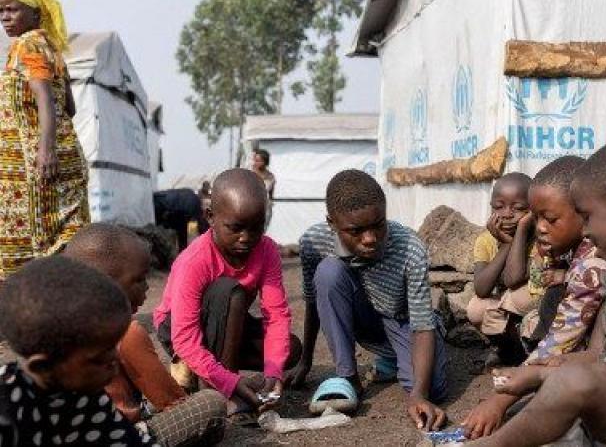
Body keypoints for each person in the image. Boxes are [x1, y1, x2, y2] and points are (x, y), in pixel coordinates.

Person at [465, 141, 606, 446]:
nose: (585, 231)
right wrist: (555, 365)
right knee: (555, 394)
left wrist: (538, 376)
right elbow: (603, 353)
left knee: (569, 385)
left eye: (587, 217)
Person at [461, 156, 606, 440]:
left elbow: (558, 343)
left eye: (550, 219)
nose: (540, 227)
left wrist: (500, 398)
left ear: (584, 213)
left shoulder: (593, 263)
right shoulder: (575, 251)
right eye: (537, 218)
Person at [288, 169, 448, 431]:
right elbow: (314, 304)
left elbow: (421, 324)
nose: (370, 238)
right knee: (328, 272)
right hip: (363, 317)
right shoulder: (313, 243)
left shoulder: (410, 248)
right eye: (356, 230)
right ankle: (348, 377)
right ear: (332, 223)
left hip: (402, 321)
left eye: (378, 224)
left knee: (434, 389)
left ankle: (394, 359)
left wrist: (418, 394)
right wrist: (305, 361)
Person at [63, 223, 227, 447]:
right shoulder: (125, 332)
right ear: (106, 285)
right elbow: (172, 402)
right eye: (139, 279)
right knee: (212, 404)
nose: (147, 287)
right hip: (119, 439)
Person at [153, 169, 301, 415]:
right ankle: (222, 390)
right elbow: (184, 338)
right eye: (236, 228)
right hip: (179, 330)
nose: (246, 238)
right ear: (210, 216)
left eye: (256, 228)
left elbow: (276, 315)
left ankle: (214, 373)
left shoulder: (267, 250)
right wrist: (230, 381)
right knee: (232, 291)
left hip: (227, 324)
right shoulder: (195, 260)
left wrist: (273, 373)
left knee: (290, 350)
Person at [0, 256, 161, 445]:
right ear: (43, 366)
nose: (115, 364)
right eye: (98, 359)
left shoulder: (83, 391)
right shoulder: (7, 413)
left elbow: (124, 439)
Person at [0, 0, 90, 281]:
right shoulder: (52, 48)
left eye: (12, 9)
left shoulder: (28, 44)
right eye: (0, 11)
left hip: (39, 163)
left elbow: (45, 98)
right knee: (62, 235)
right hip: (62, 158)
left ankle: (38, 307)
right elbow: (70, 107)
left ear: (36, 13)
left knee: (33, 237)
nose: (4, 16)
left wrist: (45, 149)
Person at [466, 172, 553, 366]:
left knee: (520, 296)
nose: (507, 214)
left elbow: (513, 279)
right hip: (504, 314)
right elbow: (482, 289)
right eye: (499, 207)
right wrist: (506, 244)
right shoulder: (486, 241)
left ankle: (528, 351)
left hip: (533, 312)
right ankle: (507, 349)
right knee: (475, 308)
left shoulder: (541, 240)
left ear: (533, 210)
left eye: (519, 208)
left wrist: (521, 231)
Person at [153, 188, 204, 252]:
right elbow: (196, 227)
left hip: (164, 204)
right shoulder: (195, 204)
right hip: (166, 208)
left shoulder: (189, 193)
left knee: (181, 235)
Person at [251, 148, 275, 230]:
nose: (256, 163)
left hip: (265, 208)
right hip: (250, 207)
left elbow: (271, 194)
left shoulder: (270, 177)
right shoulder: (250, 174)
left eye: (259, 161)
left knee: (262, 230)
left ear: (265, 162)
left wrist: (270, 204)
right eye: (255, 160)